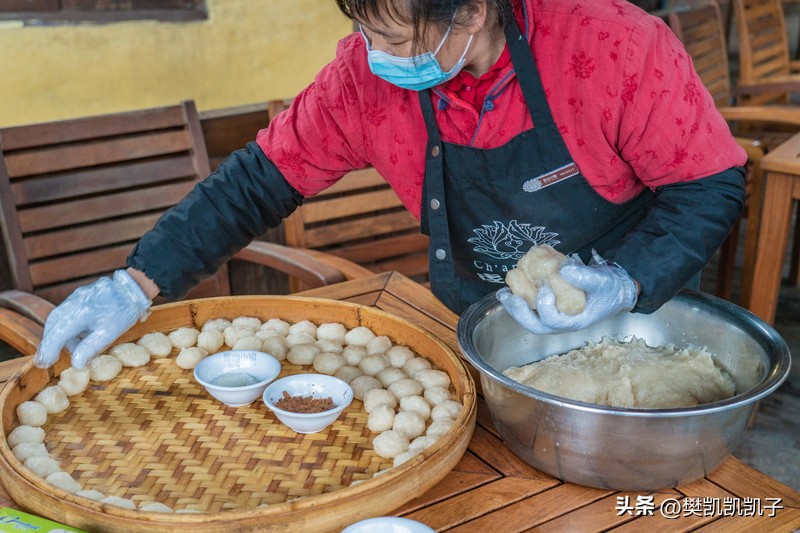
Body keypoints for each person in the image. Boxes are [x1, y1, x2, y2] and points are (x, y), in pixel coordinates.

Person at [33, 0, 747, 369]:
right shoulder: (362, 80)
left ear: (469, 13)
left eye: (399, 41)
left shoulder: (608, 44)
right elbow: (255, 183)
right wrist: (136, 281)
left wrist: (624, 280)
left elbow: (710, 184)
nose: (375, 58)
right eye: (366, 31)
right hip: (477, 334)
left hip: (626, 331)